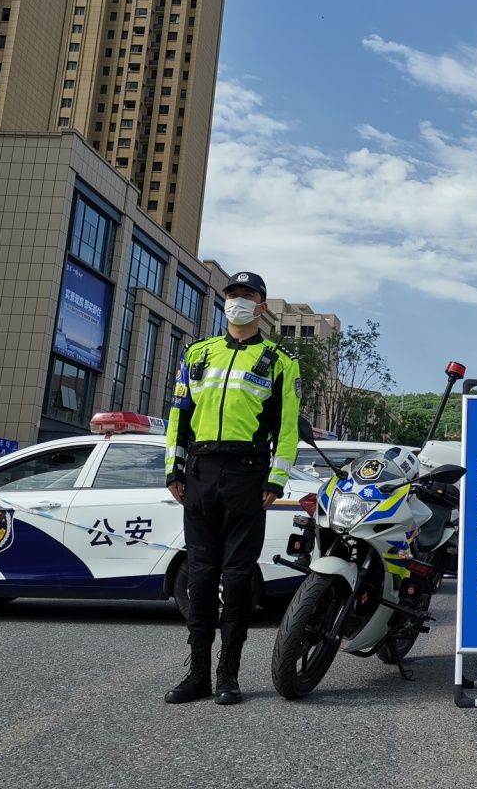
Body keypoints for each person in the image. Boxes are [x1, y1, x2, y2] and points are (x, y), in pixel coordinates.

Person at [163, 271, 300, 705]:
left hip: (247, 472)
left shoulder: (280, 360)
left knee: (238, 577)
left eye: (246, 296)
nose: (237, 302)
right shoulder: (198, 354)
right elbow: (178, 417)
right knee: (200, 578)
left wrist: (276, 479)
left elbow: (288, 427)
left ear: (261, 306)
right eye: (232, 295)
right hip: (200, 471)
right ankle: (198, 673)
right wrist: (174, 469)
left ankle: (229, 674)